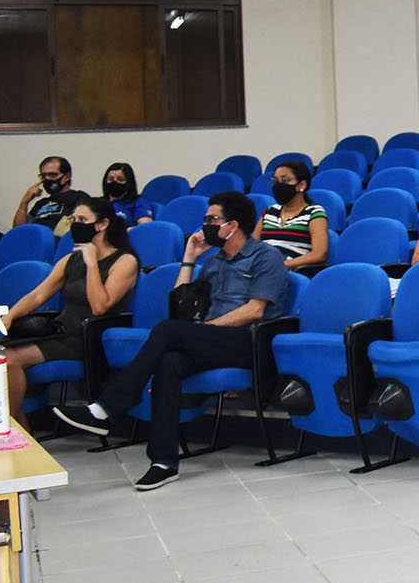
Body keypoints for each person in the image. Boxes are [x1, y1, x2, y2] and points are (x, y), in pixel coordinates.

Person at [51, 191, 292, 490]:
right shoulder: (214, 262)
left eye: (212, 220)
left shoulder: (266, 256)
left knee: (167, 330)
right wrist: (189, 259)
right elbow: (181, 306)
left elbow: (255, 310)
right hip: (212, 340)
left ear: (232, 225)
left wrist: (205, 328)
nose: (204, 226)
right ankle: (163, 462)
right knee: (169, 362)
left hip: (248, 342)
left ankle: (109, 407)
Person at [0, 197, 139, 431]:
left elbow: (100, 307)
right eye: (74, 220)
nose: (76, 225)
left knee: (10, 359)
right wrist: (10, 316)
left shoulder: (125, 261)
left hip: (88, 337)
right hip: (61, 331)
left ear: (102, 224)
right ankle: (19, 428)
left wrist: (92, 264)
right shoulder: (69, 260)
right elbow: (37, 295)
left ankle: (15, 430)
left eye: (82, 220)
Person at [256, 160, 330, 269]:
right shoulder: (270, 211)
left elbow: (320, 254)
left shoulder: (314, 212)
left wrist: (281, 265)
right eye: (275, 180)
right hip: (262, 268)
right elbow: (252, 247)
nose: (279, 185)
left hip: (290, 270)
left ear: (302, 185)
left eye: (285, 180)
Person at [13, 156, 81, 233]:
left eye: (53, 175)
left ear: (67, 177)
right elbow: (17, 232)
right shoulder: (41, 203)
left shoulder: (79, 197)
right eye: (43, 176)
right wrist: (24, 203)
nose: (47, 179)